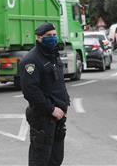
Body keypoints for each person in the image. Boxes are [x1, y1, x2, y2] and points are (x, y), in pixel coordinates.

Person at [19, 22, 70, 166]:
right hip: (43, 117)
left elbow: (58, 84)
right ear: (39, 37)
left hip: (58, 117)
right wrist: (52, 109)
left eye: (54, 35)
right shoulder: (31, 61)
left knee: (55, 159)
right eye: (49, 36)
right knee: (40, 159)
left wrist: (65, 103)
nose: (53, 38)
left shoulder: (53, 56)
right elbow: (31, 91)